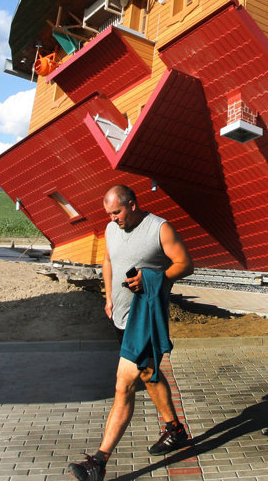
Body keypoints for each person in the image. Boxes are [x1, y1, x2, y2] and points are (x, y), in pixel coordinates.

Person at [67, 185, 194, 481]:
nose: (113, 219)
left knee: (124, 386)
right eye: (109, 213)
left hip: (145, 319)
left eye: (117, 212)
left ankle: (98, 462)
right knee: (149, 374)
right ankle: (175, 430)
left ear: (132, 205)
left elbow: (185, 264)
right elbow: (108, 260)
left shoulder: (159, 229)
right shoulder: (111, 229)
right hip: (121, 318)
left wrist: (155, 278)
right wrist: (109, 297)